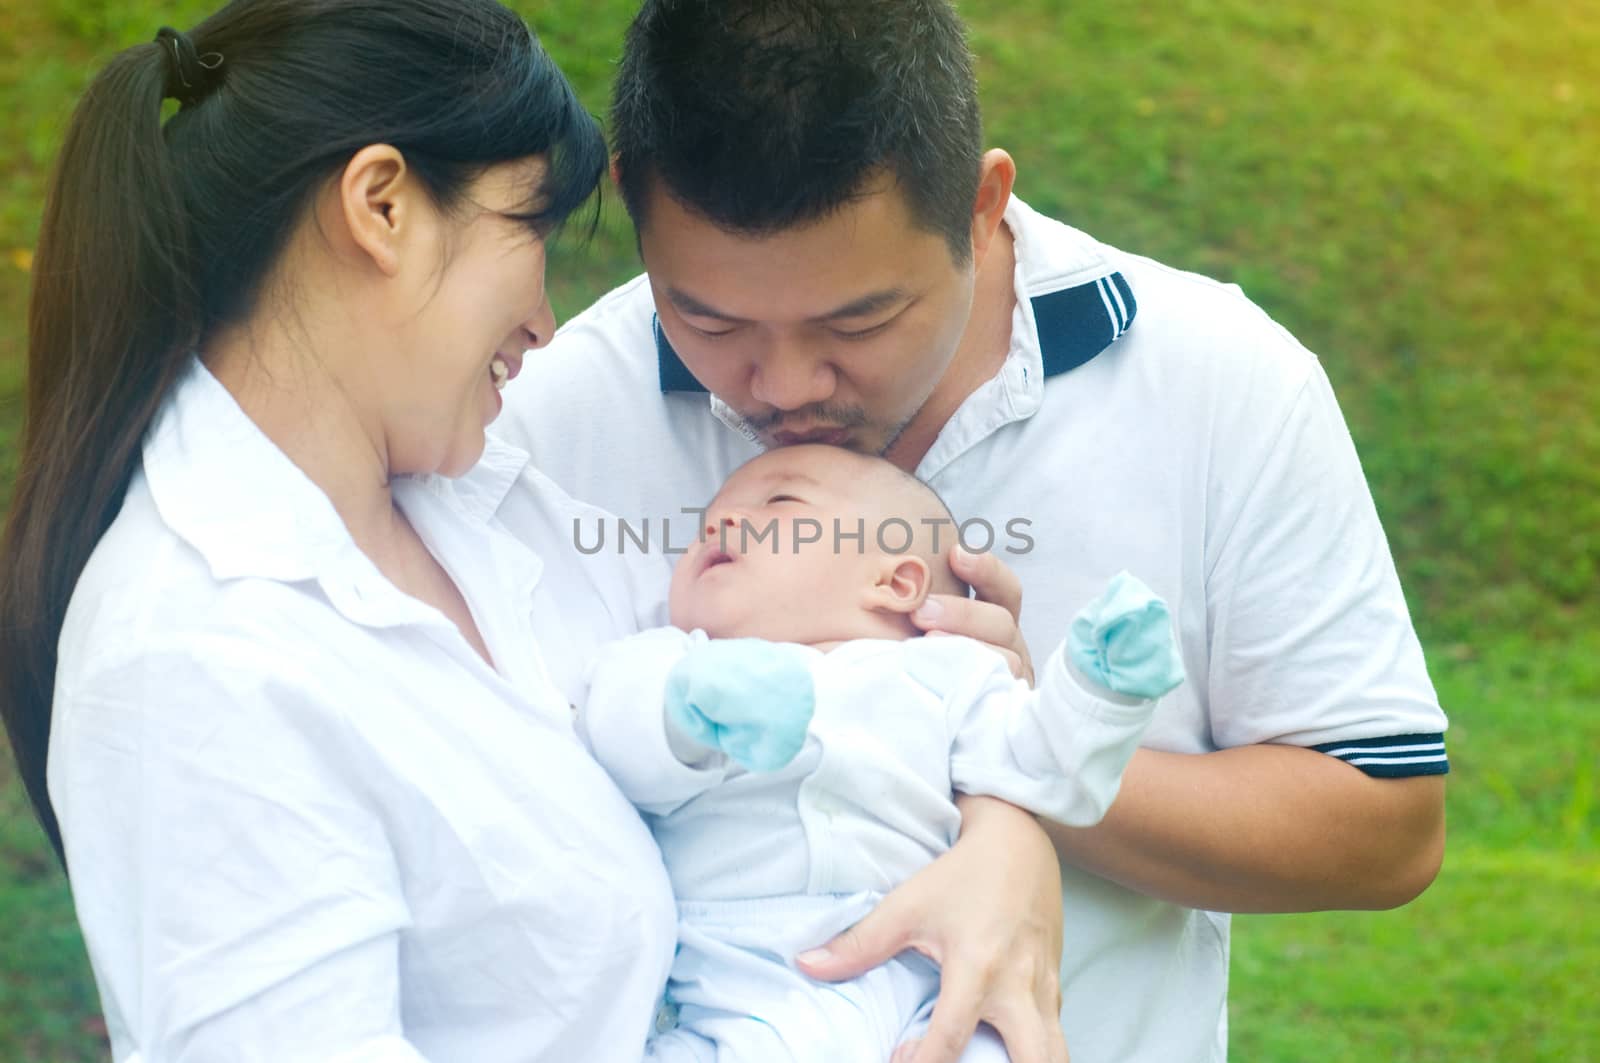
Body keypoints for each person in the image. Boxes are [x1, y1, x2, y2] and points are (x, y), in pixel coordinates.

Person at [495, 1, 1452, 1060]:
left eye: (858, 321)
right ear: (632, 198)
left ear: (984, 203)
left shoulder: (1218, 378)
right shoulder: (547, 421)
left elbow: (1385, 825)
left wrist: (1019, 773)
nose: (785, 384)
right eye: (710, 321)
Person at [0, 2, 692, 1058]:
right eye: (529, 231)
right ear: (380, 205)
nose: (547, 320)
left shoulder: (474, 498)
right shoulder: (193, 658)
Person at [580, 443, 1187, 1062]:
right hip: (742, 988)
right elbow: (617, 736)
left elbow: (1042, 770)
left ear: (895, 582)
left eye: (779, 502)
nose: (720, 524)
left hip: (925, 983)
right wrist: (689, 713)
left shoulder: (949, 674)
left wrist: (1097, 692)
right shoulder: (672, 660)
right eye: (704, 525)